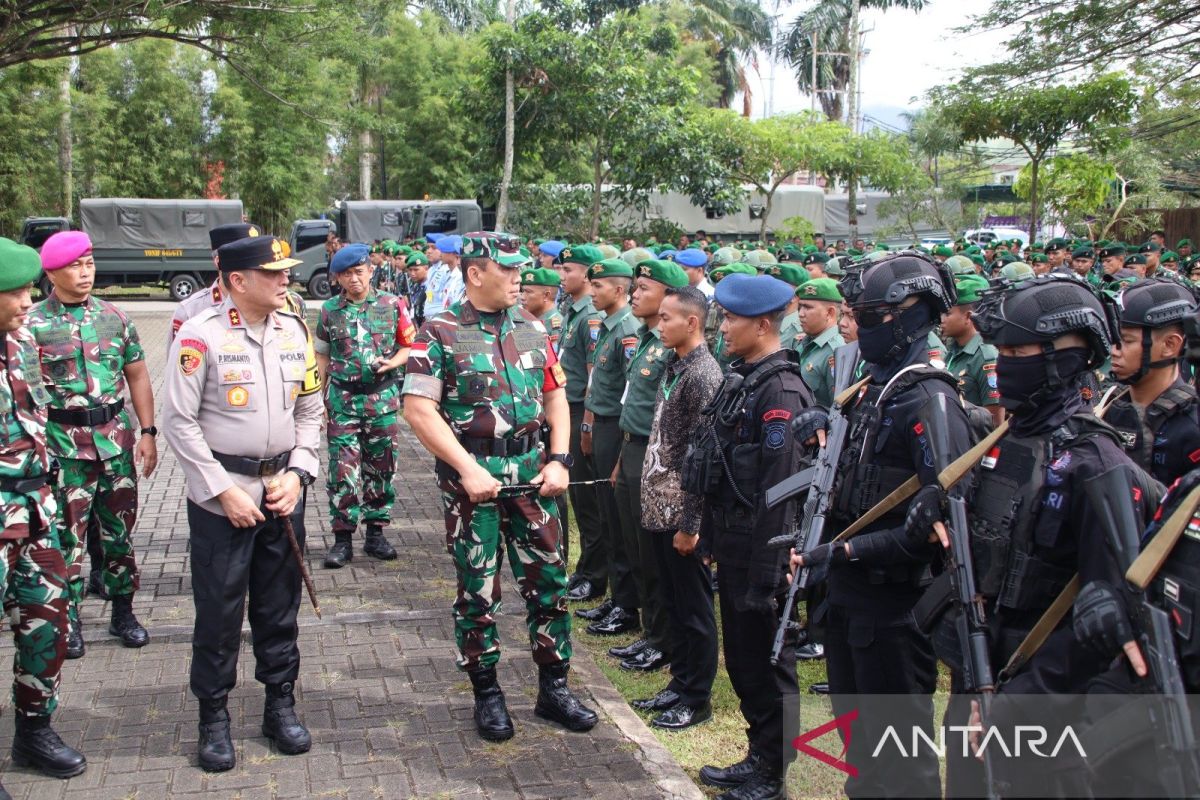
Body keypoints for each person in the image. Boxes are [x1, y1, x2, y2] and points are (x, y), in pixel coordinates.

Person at [931, 274, 1159, 797]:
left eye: (1018, 350)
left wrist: (1019, 702)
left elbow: (1115, 615)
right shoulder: (1006, 440)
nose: (1005, 361)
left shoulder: (1096, 464)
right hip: (983, 667)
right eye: (1002, 349)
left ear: (1065, 357)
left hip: (1045, 702)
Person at [401, 233, 597, 742]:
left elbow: (556, 397)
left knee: (550, 587)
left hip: (535, 481)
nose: (519, 279)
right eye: (507, 270)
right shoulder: (439, 332)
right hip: (476, 488)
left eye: (521, 270)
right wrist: (466, 469)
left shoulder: (531, 327)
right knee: (478, 594)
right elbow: (419, 409)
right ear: (474, 273)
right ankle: (487, 694)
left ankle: (554, 689)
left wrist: (559, 459)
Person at [799, 253, 974, 799]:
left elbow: (943, 521)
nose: (861, 324)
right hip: (849, 597)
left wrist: (848, 553)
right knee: (860, 752)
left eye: (872, 314)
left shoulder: (929, 397)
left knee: (899, 762)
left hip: (894, 606)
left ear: (911, 315)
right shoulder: (873, 387)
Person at [162, 235, 322, 772]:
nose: (285, 281)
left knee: (279, 610)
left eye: (285, 273)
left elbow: (310, 412)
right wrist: (221, 490)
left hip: (282, 496)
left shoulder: (295, 332)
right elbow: (178, 423)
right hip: (222, 501)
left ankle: (280, 706)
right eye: (273, 273)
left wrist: (299, 472)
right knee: (219, 613)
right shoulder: (199, 336)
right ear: (237, 280)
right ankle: (214, 717)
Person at [695, 273, 813, 800]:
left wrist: (767, 572)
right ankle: (759, 755)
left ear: (763, 324)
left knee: (768, 662)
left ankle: (775, 773)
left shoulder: (781, 389)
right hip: (735, 542)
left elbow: (781, 488)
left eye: (733, 320)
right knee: (744, 662)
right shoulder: (745, 377)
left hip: (761, 549)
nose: (723, 328)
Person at [29, 231, 156, 658]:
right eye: (74, 266)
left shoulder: (115, 317)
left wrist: (148, 432)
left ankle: (124, 611)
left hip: (115, 444)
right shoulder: (32, 325)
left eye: (89, 264)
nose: (85, 273)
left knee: (120, 533)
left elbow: (137, 375)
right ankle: (71, 620)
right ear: (50, 272)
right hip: (64, 447)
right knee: (69, 539)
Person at [0, 239, 86, 785]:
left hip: (34, 511)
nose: (30, 300)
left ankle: (34, 731)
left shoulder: (20, 342)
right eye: (18, 291)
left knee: (46, 627)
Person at [631, 286, 721, 730]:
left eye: (667, 318)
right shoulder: (675, 365)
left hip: (681, 515)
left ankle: (696, 697)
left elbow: (704, 457)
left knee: (694, 610)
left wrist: (693, 524)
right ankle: (679, 682)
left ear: (693, 322)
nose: (659, 324)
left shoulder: (704, 374)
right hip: (658, 508)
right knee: (672, 602)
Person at [594, 260, 689, 679]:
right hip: (630, 449)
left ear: (669, 295)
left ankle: (661, 637)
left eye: (644, 288)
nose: (634, 294)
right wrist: (620, 459)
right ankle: (647, 627)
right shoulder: (649, 340)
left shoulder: (670, 346)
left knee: (653, 553)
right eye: (633, 287)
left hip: (656, 459)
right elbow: (634, 404)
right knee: (632, 544)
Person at [314, 244, 415, 568]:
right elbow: (322, 356)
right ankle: (342, 539)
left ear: (371, 270)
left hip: (381, 400)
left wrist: (392, 364)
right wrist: (318, 397)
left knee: (382, 467)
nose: (354, 279)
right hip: (342, 400)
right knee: (342, 471)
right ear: (338, 278)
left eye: (359, 271)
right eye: (346, 274)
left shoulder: (393, 305)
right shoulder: (329, 310)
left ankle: (375, 534)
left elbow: (408, 346)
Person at [577, 259, 642, 650]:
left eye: (598, 285)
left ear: (618, 290)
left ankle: (627, 603)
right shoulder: (608, 325)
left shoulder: (627, 329)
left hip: (617, 428)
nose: (592, 291)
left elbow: (630, 389)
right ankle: (618, 597)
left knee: (619, 522)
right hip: (600, 424)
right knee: (606, 514)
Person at [1104, 279, 1200, 486]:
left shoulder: (1192, 429)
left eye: (1126, 341)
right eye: (1112, 340)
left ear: (1169, 345)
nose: (1114, 351)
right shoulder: (1108, 408)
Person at [554, 245, 604, 597]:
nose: (562, 276)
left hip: (580, 412)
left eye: (568, 269)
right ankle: (586, 569)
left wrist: (586, 424)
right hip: (568, 409)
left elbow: (592, 376)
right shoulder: (572, 310)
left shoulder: (591, 317)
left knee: (588, 503)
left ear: (586, 275)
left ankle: (593, 574)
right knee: (578, 498)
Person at [169, 223, 305, 344]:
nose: (284, 280)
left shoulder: (289, 303)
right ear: (218, 261)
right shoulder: (191, 310)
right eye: (243, 250)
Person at [942, 273, 1004, 426]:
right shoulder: (954, 350)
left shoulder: (986, 357)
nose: (941, 319)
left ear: (968, 317)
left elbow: (994, 421)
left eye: (947, 313)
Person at [793, 278, 845, 408]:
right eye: (800, 307)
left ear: (829, 312)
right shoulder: (803, 342)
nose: (800, 314)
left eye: (808, 308)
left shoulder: (836, 349)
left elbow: (837, 409)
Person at [405, 252, 430, 327]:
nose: (412, 273)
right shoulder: (415, 285)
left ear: (426, 268)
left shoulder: (430, 287)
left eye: (416, 270)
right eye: (410, 270)